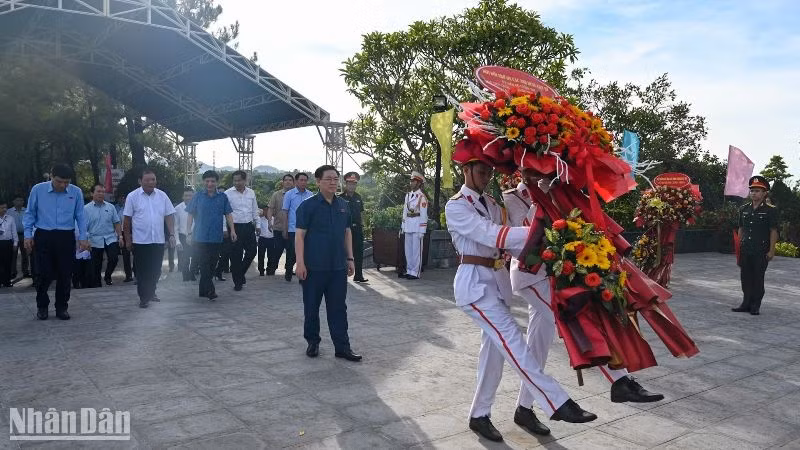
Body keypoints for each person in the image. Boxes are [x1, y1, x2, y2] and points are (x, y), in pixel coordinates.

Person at [445, 143, 595, 442]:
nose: (486, 174)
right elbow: (492, 235)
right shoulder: (456, 205)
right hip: (474, 285)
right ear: (465, 170)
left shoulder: (492, 203)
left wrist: (551, 222)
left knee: (494, 353)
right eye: (480, 169)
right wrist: (546, 231)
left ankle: (479, 414)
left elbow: (512, 242)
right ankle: (556, 401)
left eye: (489, 169)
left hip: (495, 281)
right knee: (513, 342)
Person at [499, 169, 663, 437]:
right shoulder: (514, 197)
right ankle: (620, 381)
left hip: (557, 275)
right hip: (533, 276)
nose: (540, 171)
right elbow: (522, 241)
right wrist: (543, 202)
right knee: (576, 321)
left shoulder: (559, 190)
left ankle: (523, 409)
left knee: (537, 347)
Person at [295, 165, 362, 362]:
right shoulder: (307, 206)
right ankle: (313, 342)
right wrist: (300, 263)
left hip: (337, 267)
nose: (333, 182)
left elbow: (347, 232)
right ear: (318, 182)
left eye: (335, 179)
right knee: (311, 307)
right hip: (314, 267)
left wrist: (350, 259)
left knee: (338, 308)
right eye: (328, 179)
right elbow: (299, 236)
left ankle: (342, 347)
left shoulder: (343, 204)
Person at [23, 164, 88, 320]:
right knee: (43, 274)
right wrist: (27, 235)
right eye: (59, 181)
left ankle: (61, 307)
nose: (63, 185)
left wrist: (83, 237)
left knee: (65, 274)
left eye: (66, 182)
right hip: (44, 235)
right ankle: (42, 306)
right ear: (51, 176)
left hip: (66, 236)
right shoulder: (38, 190)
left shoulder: (76, 192)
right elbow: (30, 213)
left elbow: (80, 216)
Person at [123, 169, 176, 308]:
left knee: (156, 270)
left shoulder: (162, 196)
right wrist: (127, 239)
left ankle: (151, 292)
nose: (151, 182)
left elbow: (169, 215)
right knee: (142, 271)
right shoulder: (132, 196)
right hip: (140, 241)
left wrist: (171, 234)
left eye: (153, 179)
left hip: (158, 240)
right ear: (140, 181)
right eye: (147, 180)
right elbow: (127, 220)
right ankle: (143, 297)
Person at [733, 175, 779, 316]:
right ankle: (746, 303)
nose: (754, 193)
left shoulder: (770, 210)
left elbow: (773, 231)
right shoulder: (744, 209)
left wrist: (771, 250)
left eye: (758, 191)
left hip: (761, 250)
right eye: (752, 190)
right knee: (745, 277)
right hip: (746, 248)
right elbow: (741, 228)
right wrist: (738, 247)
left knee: (758, 278)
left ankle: (755, 305)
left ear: (765, 193)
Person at [187, 171, 236, 301]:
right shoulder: (197, 196)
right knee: (204, 264)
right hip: (200, 237)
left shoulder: (223, 197)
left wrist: (232, 230)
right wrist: (189, 232)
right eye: (207, 181)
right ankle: (210, 290)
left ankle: (203, 291)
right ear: (203, 182)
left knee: (212, 265)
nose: (210, 184)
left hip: (216, 236)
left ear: (216, 182)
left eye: (212, 181)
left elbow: (228, 214)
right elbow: (190, 214)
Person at [225, 170, 260, 291]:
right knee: (236, 256)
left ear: (245, 180)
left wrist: (258, 224)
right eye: (235, 180)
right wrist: (226, 229)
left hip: (249, 226)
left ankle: (240, 274)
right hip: (234, 227)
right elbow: (224, 213)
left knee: (252, 252)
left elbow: (255, 209)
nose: (237, 182)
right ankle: (237, 283)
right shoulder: (227, 193)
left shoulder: (251, 192)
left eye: (239, 180)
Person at [84, 184, 122, 287]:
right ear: (92, 193)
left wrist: (120, 236)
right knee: (96, 264)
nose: (101, 194)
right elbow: (83, 227)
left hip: (110, 238)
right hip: (94, 239)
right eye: (98, 191)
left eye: (103, 192)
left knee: (114, 258)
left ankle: (108, 275)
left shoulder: (110, 207)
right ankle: (97, 285)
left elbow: (116, 222)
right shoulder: (86, 209)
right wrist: (85, 240)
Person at [282, 172, 312, 282]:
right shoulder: (289, 194)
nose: (303, 182)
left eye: (305, 180)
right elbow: (285, 212)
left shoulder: (310, 194)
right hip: (292, 229)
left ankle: (302, 275)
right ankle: (288, 272)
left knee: (305, 253)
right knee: (291, 253)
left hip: (307, 230)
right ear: (296, 181)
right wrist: (284, 229)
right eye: (301, 180)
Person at [265, 174, 294, 275]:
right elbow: (270, 209)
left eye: (290, 180)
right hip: (278, 227)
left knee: (292, 251)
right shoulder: (276, 195)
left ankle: (289, 269)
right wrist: (269, 222)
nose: (288, 182)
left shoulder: (297, 194)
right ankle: (271, 268)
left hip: (292, 229)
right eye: (286, 180)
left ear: (293, 182)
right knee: (277, 249)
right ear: (282, 182)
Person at [401, 171, 428, 280]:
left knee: (416, 251)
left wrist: (422, 230)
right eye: (411, 181)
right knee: (408, 251)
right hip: (408, 226)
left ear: (418, 183)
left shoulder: (422, 197)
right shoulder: (408, 196)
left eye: (413, 181)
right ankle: (409, 270)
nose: (411, 183)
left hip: (417, 226)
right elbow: (404, 212)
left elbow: (423, 214)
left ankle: (415, 272)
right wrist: (403, 226)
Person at [342, 172, 367, 283]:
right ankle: (342, 275)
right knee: (344, 253)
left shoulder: (358, 197)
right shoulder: (340, 198)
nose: (352, 186)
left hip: (357, 229)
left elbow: (361, 213)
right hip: (345, 230)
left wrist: (363, 226)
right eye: (349, 184)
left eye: (354, 184)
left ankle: (359, 275)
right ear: (345, 184)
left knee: (359, 252)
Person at [175, 187, 198, 281]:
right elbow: (175, 226)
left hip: (196, 236)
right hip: (183, 236)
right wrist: (177, 241)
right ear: (182, 196)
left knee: (196, 256)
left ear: (194, 196)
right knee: (185, 258)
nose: (188, 197)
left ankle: (192, 273)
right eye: (186, 195)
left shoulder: (198, 206)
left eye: (190, 195)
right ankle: (186, 276)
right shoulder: (178, 209)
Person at [7, 195, 29, 279]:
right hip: (13, 235)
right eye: (17, 200)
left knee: (25, 255)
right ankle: (13, 272)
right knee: (13, 254)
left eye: (21, 200)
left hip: (24, 235)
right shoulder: (9, 212)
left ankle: (25, 271)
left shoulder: (27, 211)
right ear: (13, 201)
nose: (19, 202)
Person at [115, 194, 134, 282]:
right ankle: (128, 275)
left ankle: (137, 274)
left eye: (125, 198)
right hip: (124, 233)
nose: (124, 200)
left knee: (137, 256)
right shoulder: (121, 211)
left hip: (135, 234)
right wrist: (120, 237)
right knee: (126, 256)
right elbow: (117, 224)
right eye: (123, 198)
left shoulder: (135, 210)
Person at [0, 200, 18, 287]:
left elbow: (14, 232)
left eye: (5, 207)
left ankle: (7, 281)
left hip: (7, 243)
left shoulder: (10, 218)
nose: (4, 209)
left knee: (7, 263)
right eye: (2, 207)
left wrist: (15, 243)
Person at [257, 206, 276, 276]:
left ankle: (269, 270)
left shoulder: (274, 220)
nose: (266, 212)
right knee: (261, 255)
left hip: (271, 239)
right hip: (262, 239)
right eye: (265, 211)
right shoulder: (260, 219)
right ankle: (261, 270)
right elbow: (257, 229)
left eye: (268, 211)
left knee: (271, 256)